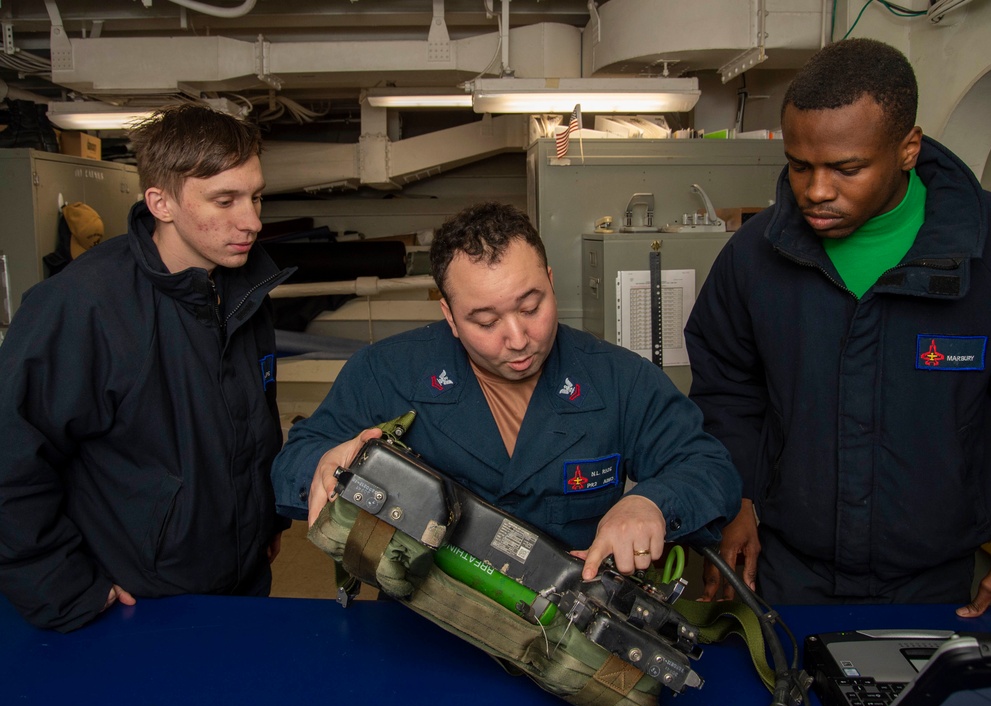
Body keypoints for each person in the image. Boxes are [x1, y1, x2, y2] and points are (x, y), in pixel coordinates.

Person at [685, 38, 991, 615]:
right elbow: (729, 390)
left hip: (939, 579)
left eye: (846, 168)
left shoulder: (990, 251)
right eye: (799, 166)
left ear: (908, 148)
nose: (816, 190)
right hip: (789, 569)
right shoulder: (755, 256)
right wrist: (739, 499)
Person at [272, 201, 741, 580]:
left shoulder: (620, 380)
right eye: (486, 320)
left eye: (531, 306)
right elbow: (294, 462)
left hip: (568, 642)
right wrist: (326, 466)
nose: (518, 338)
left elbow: (710, 468)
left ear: (551, 284)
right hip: (420, 624)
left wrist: (651, 503)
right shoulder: (385, 373)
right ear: (450, 317)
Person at [0, 103, 295, 632]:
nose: (251, 221)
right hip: (137, 603)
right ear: (160, 202)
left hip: (242, 583)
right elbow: (11, 462)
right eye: (224, 200)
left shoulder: (244, 288)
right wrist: (65, 590)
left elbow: (252, 415)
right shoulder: (80, 307)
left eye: (255, 197)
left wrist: (263, 518)